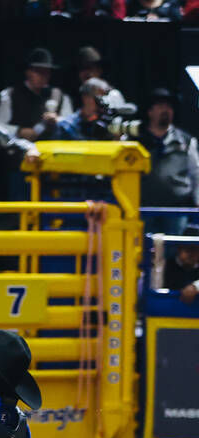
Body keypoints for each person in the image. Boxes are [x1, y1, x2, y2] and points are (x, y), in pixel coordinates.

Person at [139, 87, 199, 231]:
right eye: (160, 106)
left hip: (176, 208)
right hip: (144, 207)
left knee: (173, 248)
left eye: (169, 107)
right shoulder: (136, 140)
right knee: (142, 249)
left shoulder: (186, 140)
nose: (165, 110)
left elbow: (196, 173)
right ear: (150, 111)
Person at [0, 48, 73, 141]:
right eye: (38, 71)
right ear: (28, 72)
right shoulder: (11, 94)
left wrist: (58, 120)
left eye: (46, 72)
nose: (43, 76)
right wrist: (18, 131)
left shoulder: (60, 96)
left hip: (50, 150)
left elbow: (71, 126)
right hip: (19, 151)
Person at [54, 78, 120, 141]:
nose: (103, 103)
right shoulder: (67, 126)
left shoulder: (111, 126)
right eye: (99, 99)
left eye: (105, 98)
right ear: (85, 98)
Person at [72, 46, 127, 111]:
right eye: (82, 69)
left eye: (89, 68)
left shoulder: (112, 94)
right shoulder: (73, 97)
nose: (86, 73)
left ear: (99, 70)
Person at [163, 224, 199, 302]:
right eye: (188, 249)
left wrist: (196, 286)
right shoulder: (165, 266)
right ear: (179, 248)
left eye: (196, 249)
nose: (192, 254)